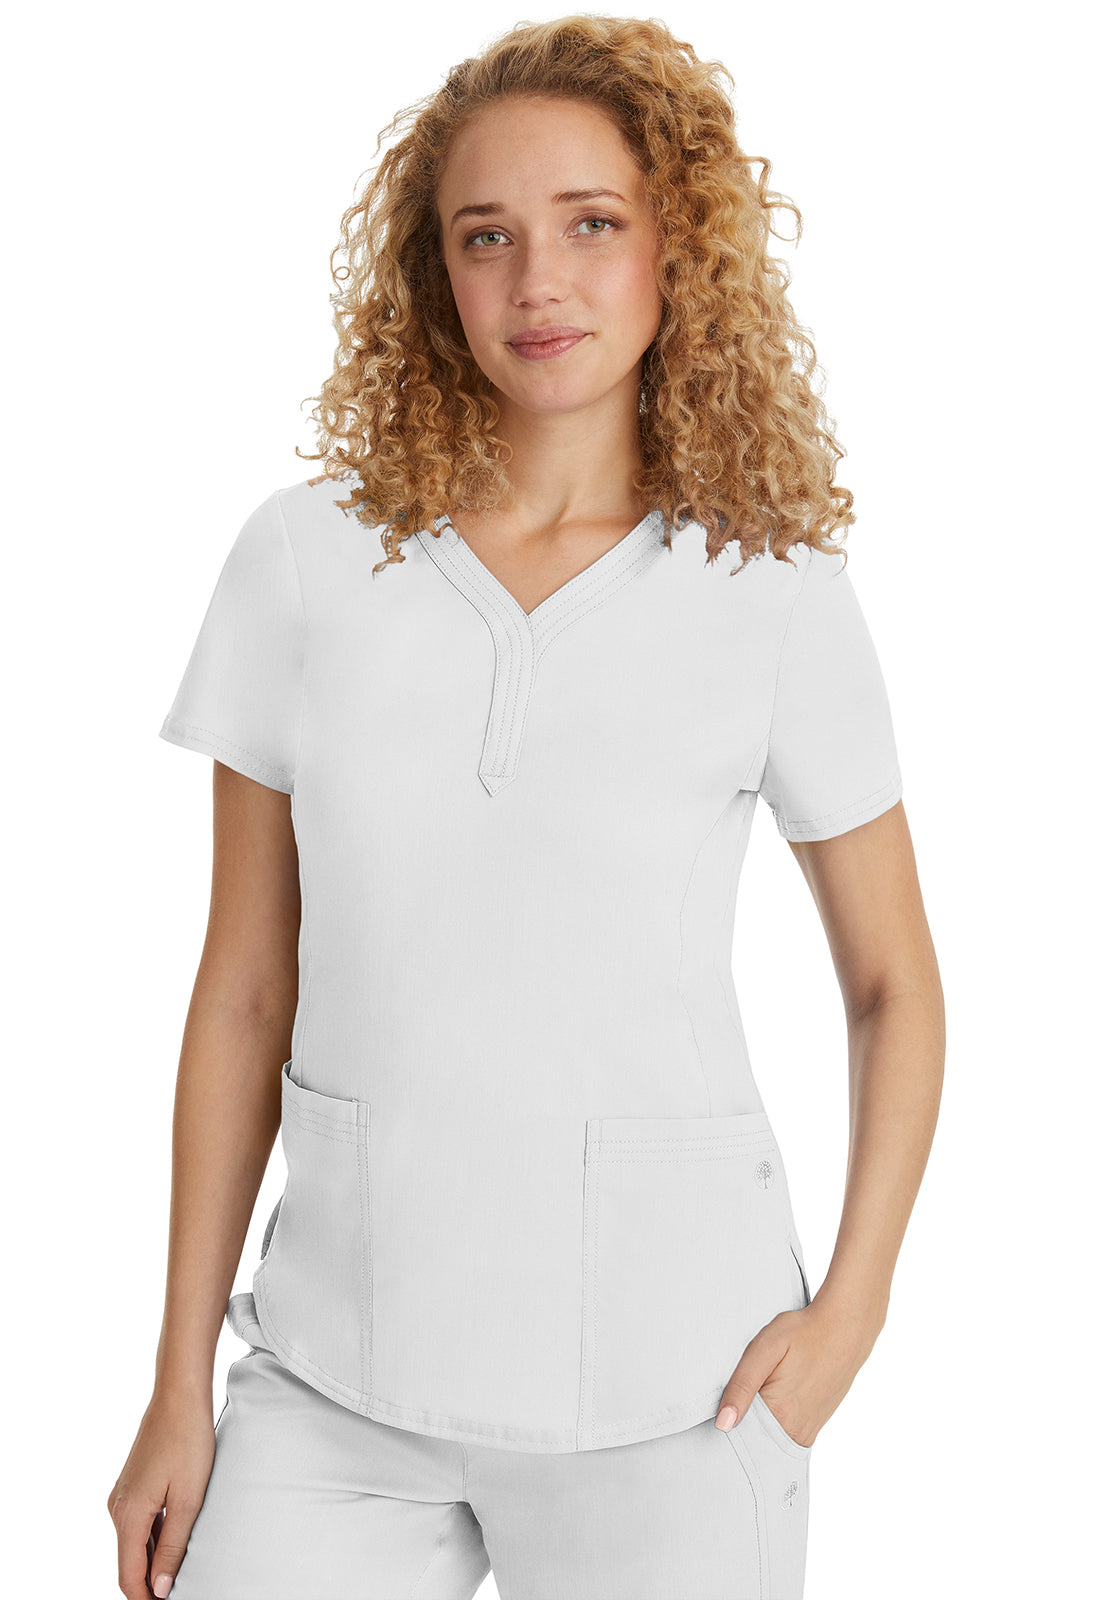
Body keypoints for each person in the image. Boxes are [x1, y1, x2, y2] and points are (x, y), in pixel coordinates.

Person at [107, 14, 945, 1600]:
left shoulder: (772, 594)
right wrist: (176, 1383)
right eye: (484, 237)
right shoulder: (305, 562)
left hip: (682, 1392)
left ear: (678, 250)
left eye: (592, 225)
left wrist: (853, 1315)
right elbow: (244, 991)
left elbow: (894, 986)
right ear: (434, 276)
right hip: (335, 1377)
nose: (538, 282)